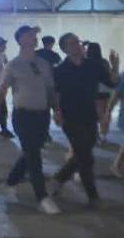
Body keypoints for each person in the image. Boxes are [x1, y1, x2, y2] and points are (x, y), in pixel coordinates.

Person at [0, 25, 61, 215]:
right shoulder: (13, 65)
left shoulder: (44, 64)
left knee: (31, 152)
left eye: (35, 35)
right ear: (20, 40)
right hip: (23, 115)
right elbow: (2, 90)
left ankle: (11, 182)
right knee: (34, 157)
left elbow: (51, 91)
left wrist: (57, 110)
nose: (34, 38)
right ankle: (42, 197)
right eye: (29, 35)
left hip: (42, 115)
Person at [49, 33, 119, 208]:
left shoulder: (93, 66)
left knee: (83, 154)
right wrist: (56, 112)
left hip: (90, 116)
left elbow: (112, 83)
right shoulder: (60, 70)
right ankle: (93, 196)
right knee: (86, 157)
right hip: (70, 117)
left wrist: (115, 66)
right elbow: (55, 93)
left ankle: (58, 179)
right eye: (73, 43)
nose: (78, 45)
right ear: (65, 49)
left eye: (78, 42)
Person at [83, 42, 113, 137]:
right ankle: (104, 135)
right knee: (106, 112)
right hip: (106, 90)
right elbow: (109, 75)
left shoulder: (87, 62)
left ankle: (95, 135)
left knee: (95, 113)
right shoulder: (104, 61)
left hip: (93, 90)